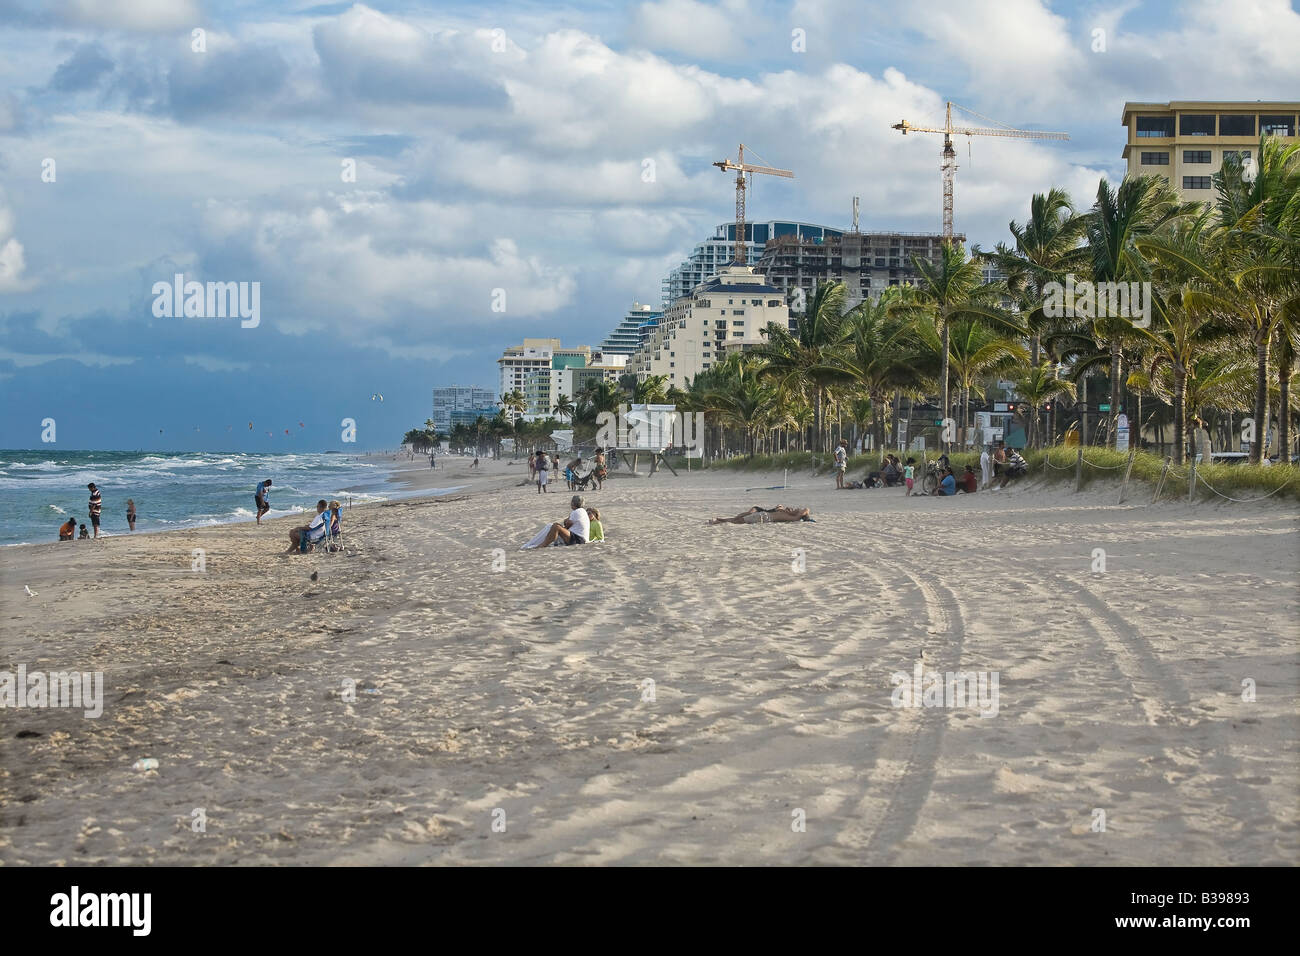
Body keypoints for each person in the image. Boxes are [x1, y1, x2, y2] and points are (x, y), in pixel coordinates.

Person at [709, 505, 811, 525]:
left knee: (739, 521)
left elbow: (806, 510)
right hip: (764, 515)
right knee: (739, 519)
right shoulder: (790, 514)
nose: (795, 508)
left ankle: (718, 521)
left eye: (797, 509)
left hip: (764, 517)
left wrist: (787, 510)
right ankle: (719, 520)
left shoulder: (794, 516)